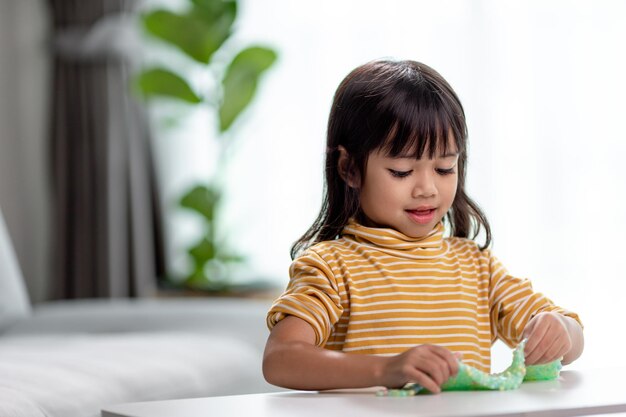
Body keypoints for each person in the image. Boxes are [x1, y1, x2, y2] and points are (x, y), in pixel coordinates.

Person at [262, 59, 584, 394]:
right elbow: (281, 358)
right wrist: (386, 369)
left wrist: (560, 330)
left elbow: (572, 339)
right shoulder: (330, 267)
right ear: (349, 168)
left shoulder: (478, 267)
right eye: (402, 171)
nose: (427, 188)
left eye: (445, 168)